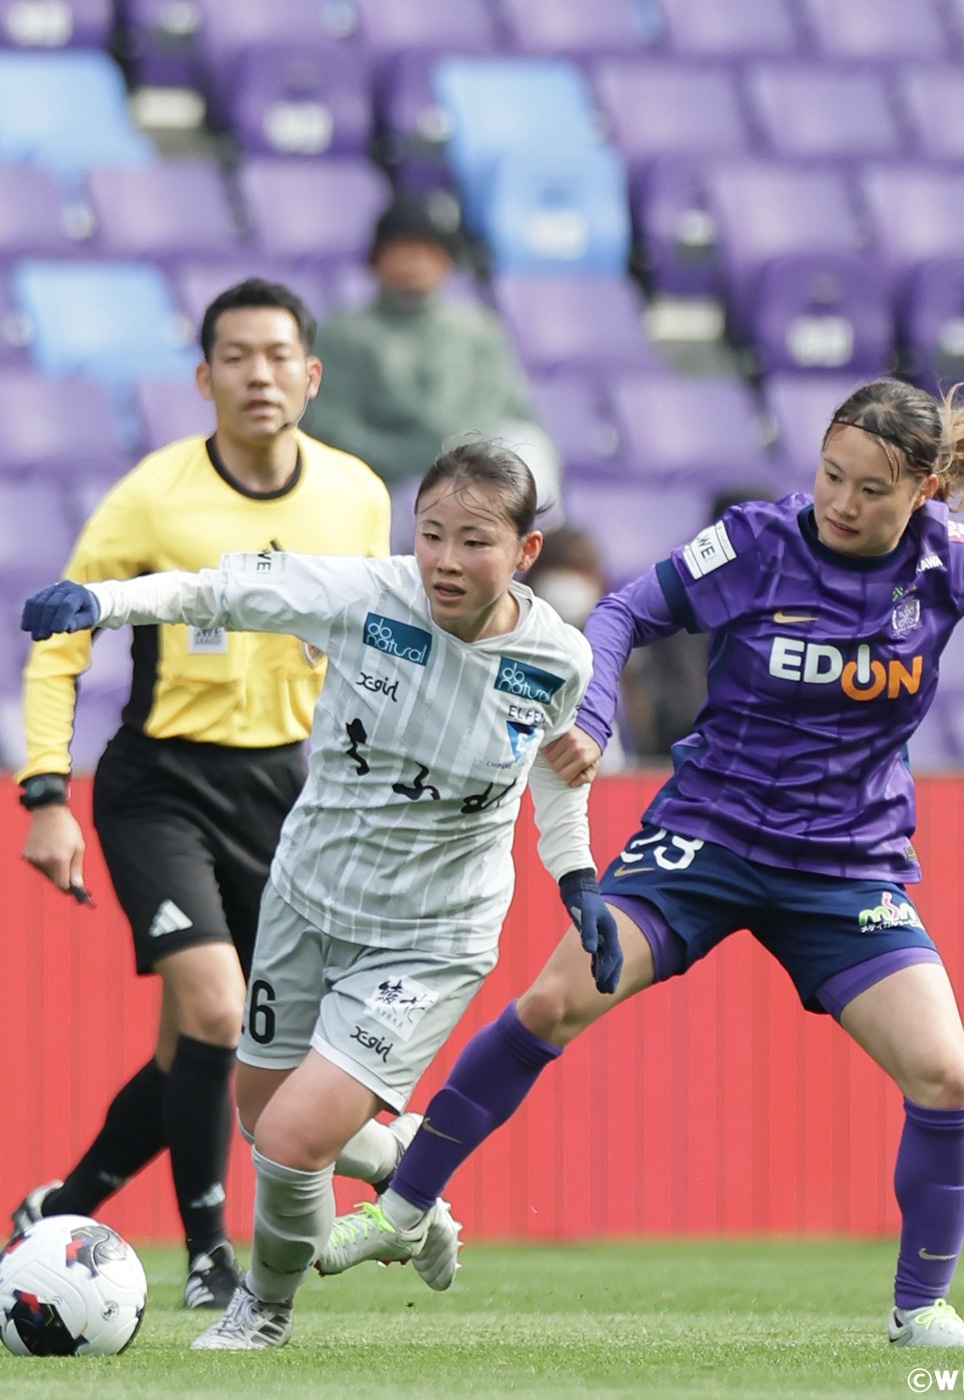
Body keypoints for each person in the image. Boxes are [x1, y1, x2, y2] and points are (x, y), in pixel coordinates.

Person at [319, 376, 964, 1350]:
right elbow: (623, 610)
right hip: (707, 838)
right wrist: (593, 715)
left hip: (845, 866)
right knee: (551, 1002)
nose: (840, 501)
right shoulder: (755, 543)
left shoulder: (953, 563)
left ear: (925, 491)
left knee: (947, 1075)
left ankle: (921, 1312)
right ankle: (405, 1206)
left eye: (871, 488)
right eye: (831, 473)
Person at [21, 440, 613, 1352]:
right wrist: (105, 603)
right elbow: (219, 592)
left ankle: (261, 1310)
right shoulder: (365, 596)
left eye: (476, 541)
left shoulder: (557, 657)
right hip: (306, 899)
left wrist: (576, 876)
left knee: (292, 1140)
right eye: (432, 534)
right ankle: (406, 1173)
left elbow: (557, 771)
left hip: (432, 934)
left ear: (525, 551)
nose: (447, 560)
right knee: (261, 1113)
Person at [10, 278, 392, 1310]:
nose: (258, 375)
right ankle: (209, 1257)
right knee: (221, 1009)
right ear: (202, 377)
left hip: (284, 791)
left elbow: (378, 641)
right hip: (160, 782)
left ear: (311, 375)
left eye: (278, 355)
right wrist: (45, 792)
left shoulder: (356, 495)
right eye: (236, 356)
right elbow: (61, 639)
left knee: (206, 1044)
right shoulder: (152, 495)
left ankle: (58, 1212)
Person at [303, 191, 560, 518]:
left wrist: (459, 459)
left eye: (429, 251)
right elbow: (330, 430)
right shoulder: (343, 335)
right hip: (390, 487)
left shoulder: (479, 331)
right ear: (377, 258)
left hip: (476, 476)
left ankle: (539, 548)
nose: (417, 261)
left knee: (528, 443)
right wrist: (419, 459)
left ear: (448, 261)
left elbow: (512, 412)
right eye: (404, 249)